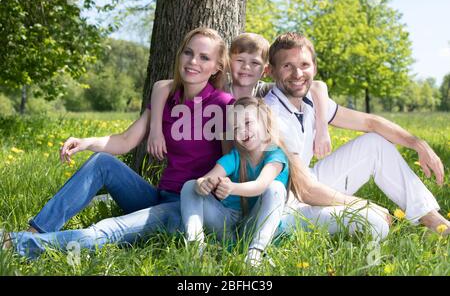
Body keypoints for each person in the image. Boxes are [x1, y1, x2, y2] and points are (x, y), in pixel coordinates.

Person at [0, 27, 235, 259]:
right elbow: (125, 140)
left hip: (187, 208)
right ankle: (36, 231)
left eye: (204, 57)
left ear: (217, 67)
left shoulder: (224, 104)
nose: (193, 61)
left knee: (108, 229)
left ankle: (16, 244)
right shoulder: (168, 98)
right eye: (188, 52)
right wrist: (86, 142)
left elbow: (232, 162)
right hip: (158, 196)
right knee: (102, 162)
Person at [264, 32, 449, 235]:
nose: (298, 73)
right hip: (286, 208)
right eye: (287, 66)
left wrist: (419, 145)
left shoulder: (309, 99)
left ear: (314, 68)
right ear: (272, 71)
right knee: (375, 224)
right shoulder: (272, 115)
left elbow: (370, 122)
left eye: (304, 65)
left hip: (308, 181)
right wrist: (361, 204)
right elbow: (305, 190)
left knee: (374, 144)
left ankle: (433, 221)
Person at [180, 97, 391, 267]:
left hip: (271, 223)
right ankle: (196, 248)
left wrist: (232, 187)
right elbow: (212, 174)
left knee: (377, 224)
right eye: (236, 128)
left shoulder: (275, 156)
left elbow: (261, 186)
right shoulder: (235, 157)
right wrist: (204, 183)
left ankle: (255, 253)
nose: (242, 131)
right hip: (230, 227)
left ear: (265, 123)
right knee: (190, 186)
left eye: (247, 123)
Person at [147, 32, 332, 162]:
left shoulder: (265, 93)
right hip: (210, 164)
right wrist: (155, 129)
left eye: (254, 63)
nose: (246, 68)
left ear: (266, 70)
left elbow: (317, 85)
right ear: (227, 64)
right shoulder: (216, 90)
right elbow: (161, 85)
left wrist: (322, 129)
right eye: (240, 61)